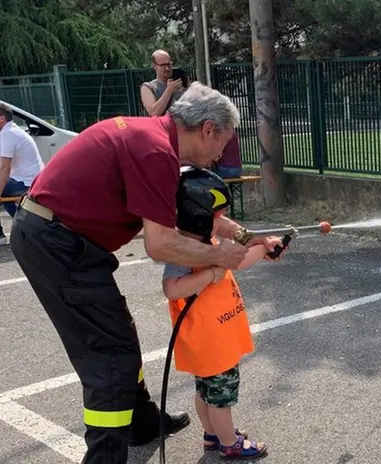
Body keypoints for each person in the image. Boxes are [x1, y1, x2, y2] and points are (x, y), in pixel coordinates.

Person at [9, 82, 283, 464]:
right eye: (225, 142)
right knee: (110, 356)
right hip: (56, 242)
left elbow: (192, 214)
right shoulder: (156, 151)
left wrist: (244, 236)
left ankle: (141, 423)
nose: (223, 153)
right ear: (208, 128)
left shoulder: (155, 141)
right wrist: (221, 258)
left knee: (120, 332)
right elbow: (160, 245)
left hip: (62, 238)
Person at [162, 166, 269, 460]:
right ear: (196, 213)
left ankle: (212, 435)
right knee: (221, 399)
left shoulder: (204, 245)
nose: (222, 221)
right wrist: (209, 275)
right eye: (217, 214)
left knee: (206, 393)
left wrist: (264, 246)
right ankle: (229, 443)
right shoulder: (185, 251)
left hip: (209, 343)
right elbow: (172, 289)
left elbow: (241, 261)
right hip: (213, 345)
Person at [0, 102, 44, 245]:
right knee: (5, 192)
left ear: (1, 118)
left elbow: (4, 168)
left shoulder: (7, 135)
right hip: (31, 180)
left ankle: (3, 234)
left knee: (3, 190)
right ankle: (23, 228)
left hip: (27, 183)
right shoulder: (11, 131)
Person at [140, 49, 187, 117]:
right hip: (161, 126)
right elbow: (154, 113)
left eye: (169, 64)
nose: (167, 68)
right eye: (163, 65)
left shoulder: (180, 83)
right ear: (154, 66)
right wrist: (168, 91)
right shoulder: (148, 87)